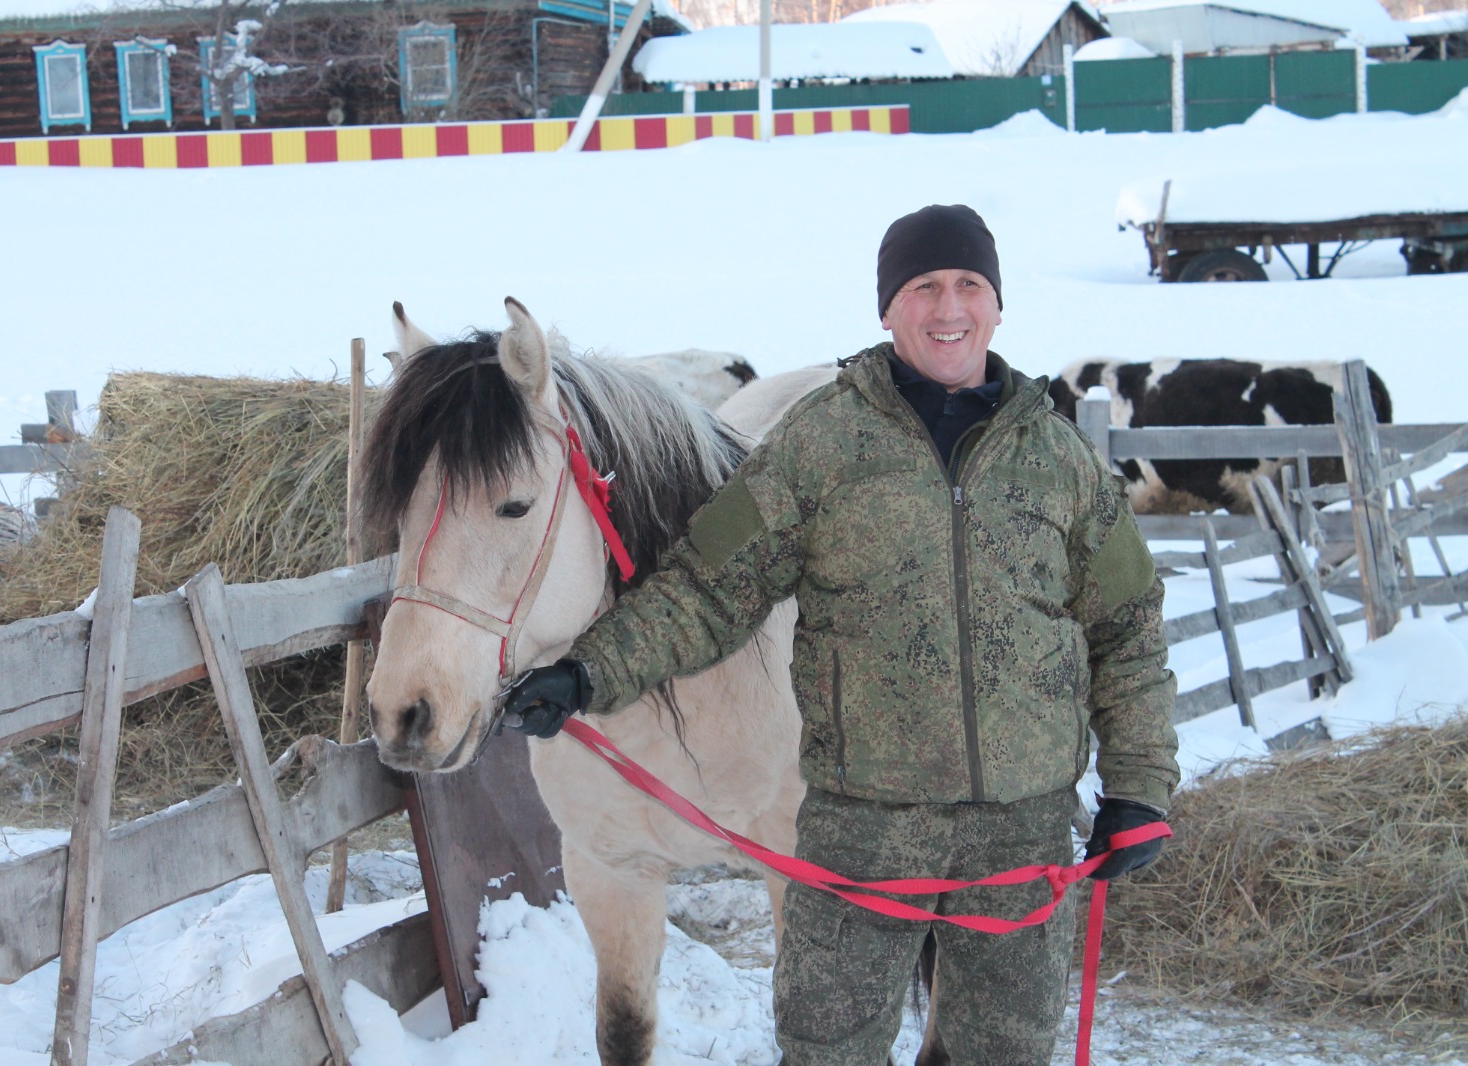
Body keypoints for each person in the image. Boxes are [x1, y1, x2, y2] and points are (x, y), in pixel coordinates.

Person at [500, 204, 1180, 1065]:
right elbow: (710, 590)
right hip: (859, 830)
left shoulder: (1060, 460)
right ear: (887, 310)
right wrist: (590, 676)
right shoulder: (818, 446)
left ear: (998, 306)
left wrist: (1141, 785)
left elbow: (1127, 629)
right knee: (827, 1053)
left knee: (996, 1054)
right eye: (922, 287)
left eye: (969, 285)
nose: (948, 308)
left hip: (1020, 834)